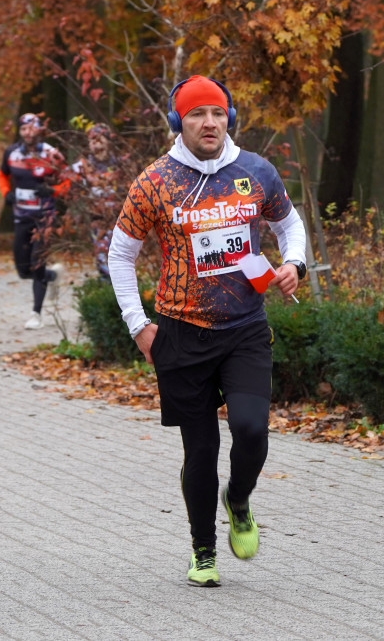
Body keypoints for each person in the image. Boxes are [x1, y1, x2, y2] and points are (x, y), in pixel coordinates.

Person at [107, 75, 308, 587]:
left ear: (229, 118)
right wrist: (139, 326)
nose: (209, 122)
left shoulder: (255, 172)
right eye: (196, 114)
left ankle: (238, 499)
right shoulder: (154, 182)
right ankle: (203, 552)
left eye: (217, 113)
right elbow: (120, 255)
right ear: (179, 122)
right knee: (201, 451)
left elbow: (289, 223)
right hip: (180, 332)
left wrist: (295, 263)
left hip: (243, 328)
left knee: (250, 429)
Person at [0, 113, 70, 329]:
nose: (28, 134)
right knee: (23, 269)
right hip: (21, 217)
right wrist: (5, 193)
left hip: (44, 217)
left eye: (32, 129)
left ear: (40, 130)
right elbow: (2, 175)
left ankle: (35, 314)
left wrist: (52, 190)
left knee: (37, 262)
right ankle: (52, 275)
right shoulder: (11, 153)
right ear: (19, 132)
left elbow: (68, 180)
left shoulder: (51, 154)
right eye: (24, 129)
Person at [71, 123, 124, 279]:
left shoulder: (121, 165)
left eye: (99, 139)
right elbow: (69, 187)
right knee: (102, 256)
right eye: (92, 140)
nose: (96, 144)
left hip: (120, 218)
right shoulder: (82, 166)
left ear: (108, 141)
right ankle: (105, 286)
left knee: (120, 257)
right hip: (97, 219)